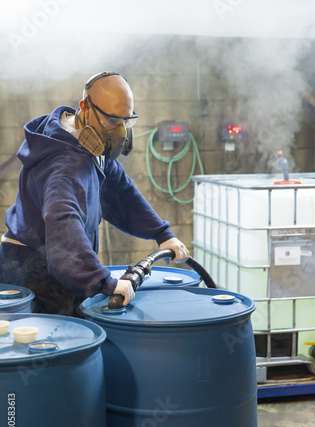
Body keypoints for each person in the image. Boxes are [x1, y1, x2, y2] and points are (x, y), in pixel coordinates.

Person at [0, 71, 189, 316]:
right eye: (113, 121)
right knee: (64, 340)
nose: (120, 132)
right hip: (34, 268)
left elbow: (120, 192)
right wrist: (104, 282)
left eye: (126, 121)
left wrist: (162, 233)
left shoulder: (91, 142)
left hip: (61, 263)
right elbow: (63, 229)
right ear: (84, 107)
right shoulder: (63, 168)